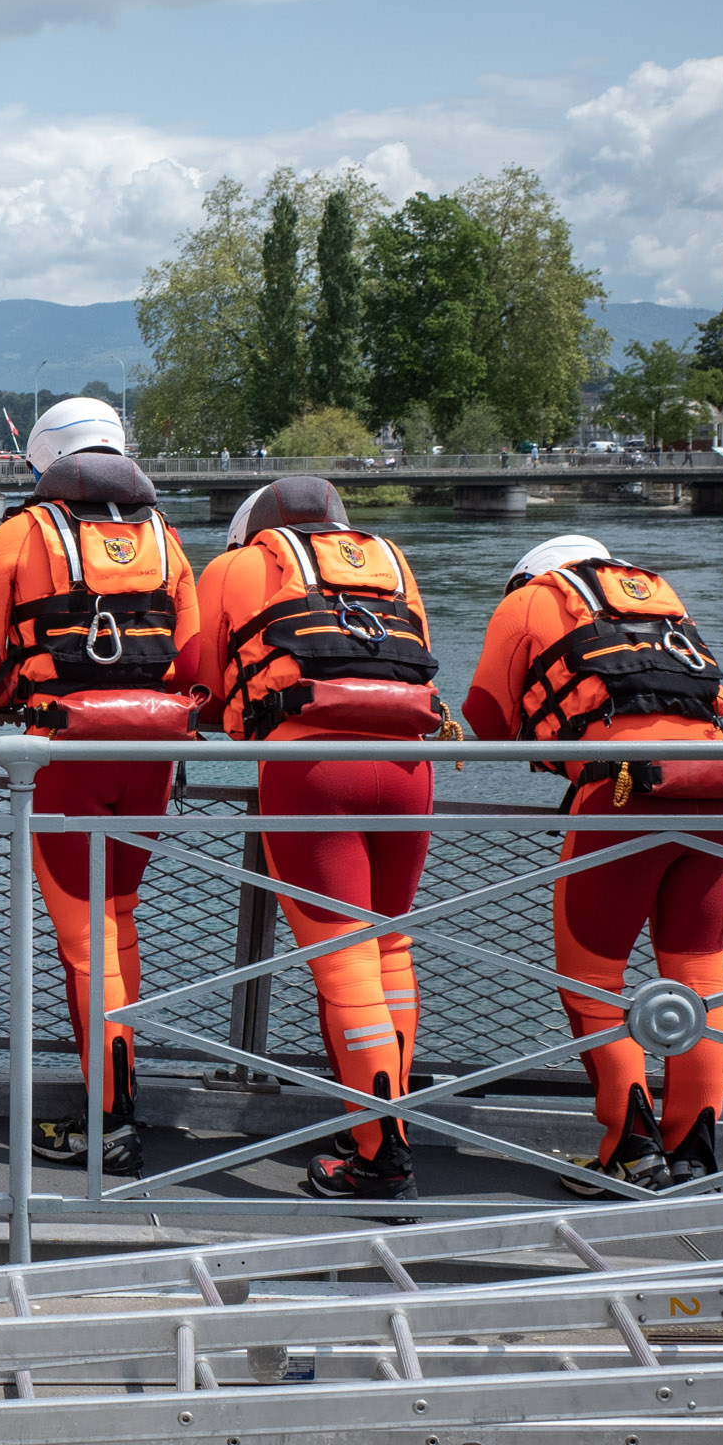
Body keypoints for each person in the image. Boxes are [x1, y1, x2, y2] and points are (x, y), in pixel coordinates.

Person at [463, 533, 723, 1193]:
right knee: (700, 973)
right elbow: (716, 705)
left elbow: (483, 714)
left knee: (592, 979)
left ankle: (630, 1152)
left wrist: (552, 742)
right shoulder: (660, 603)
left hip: (619, 793)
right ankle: (693, 1152)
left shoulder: (531, 601)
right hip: (716, 789)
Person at [0, 397, 197, 1177]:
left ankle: (111, 1121)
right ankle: (119, 1101)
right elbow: (191, 661)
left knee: (84, 943)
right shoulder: (166, 537)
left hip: (64, 754)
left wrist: (14, 690)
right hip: (151, 759)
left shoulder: (23, 534)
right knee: (118, 929)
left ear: (43, 459)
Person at [186, 477, 444, 1201]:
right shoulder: (389, 558)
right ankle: (376, 1119)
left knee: (343, 962)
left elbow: (202, 681)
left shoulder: (237, 566)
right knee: (391, 947)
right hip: (407, 768)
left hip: (311, 771)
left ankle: (379, 1154)